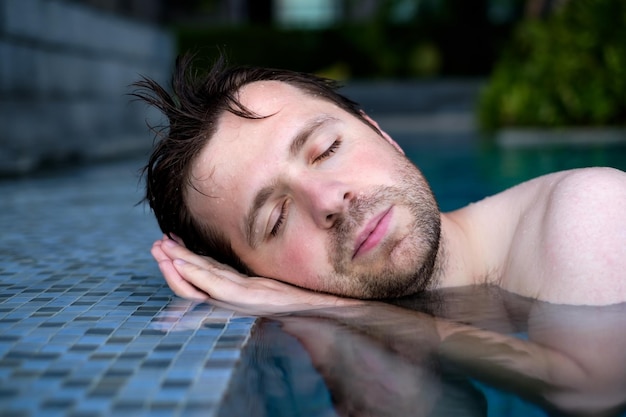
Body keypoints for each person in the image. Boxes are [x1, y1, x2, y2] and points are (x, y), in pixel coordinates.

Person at [133, 54, 626, 313]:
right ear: (250, 274)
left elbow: (586, 388)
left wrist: (318, 309)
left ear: (381, 133)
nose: (329, 199)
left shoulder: (584, 215)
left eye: (326, 149)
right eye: (276, 219)